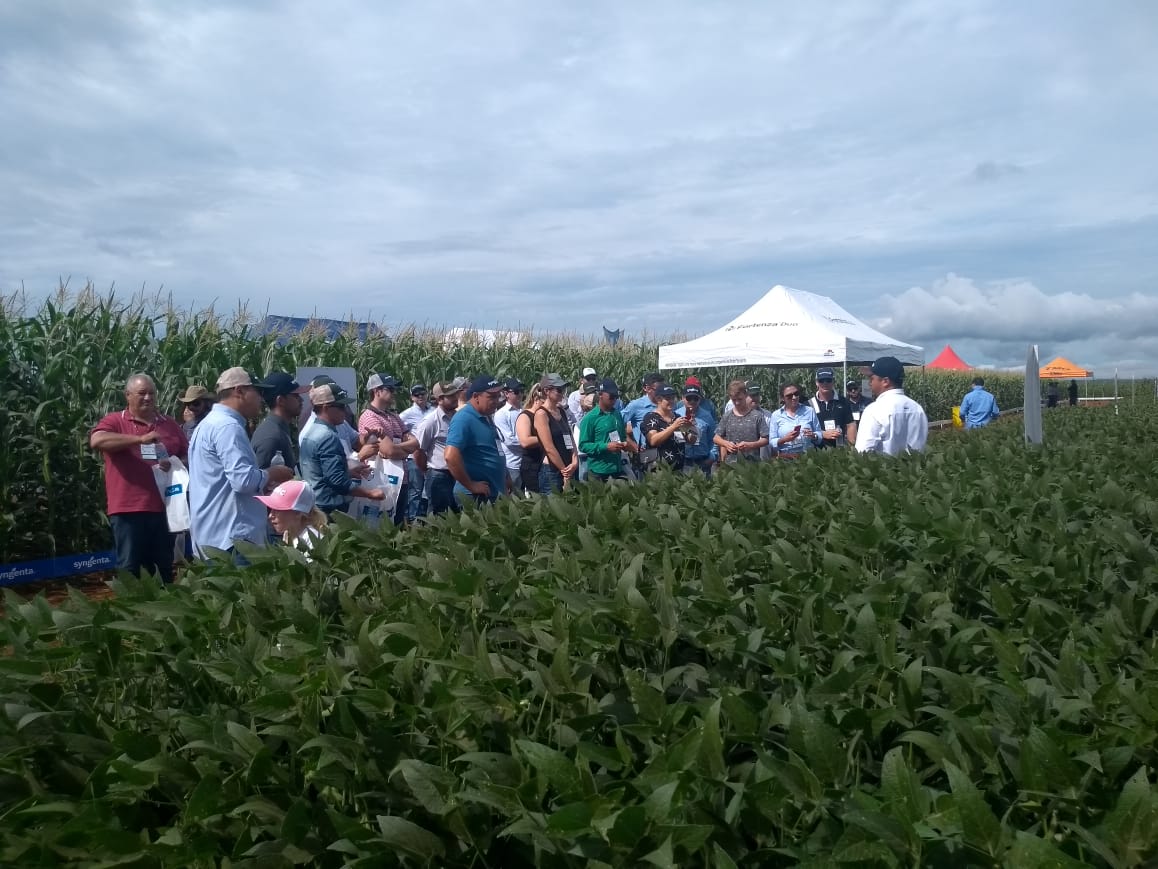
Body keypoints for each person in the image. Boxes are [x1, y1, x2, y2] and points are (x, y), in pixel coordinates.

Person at [90, 373, 188, 583]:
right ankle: (131, 613)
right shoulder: (115, 421)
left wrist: (175, 463)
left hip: (165, 508)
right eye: (142, 393)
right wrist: (139, 439)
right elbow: (97, 440)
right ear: (128, 395)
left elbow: (186, 454)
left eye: (151, 393)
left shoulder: (168, 424)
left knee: (162, 566)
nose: (148, 398)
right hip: (128, 509)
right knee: (130, 568)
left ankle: (163, 612)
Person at [188, 368, 294, 558]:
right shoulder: (228, 427)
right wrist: (273, 473)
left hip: (213, 535)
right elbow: (243, 481)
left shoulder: (208, 424)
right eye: (258, 392)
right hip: (233, 539)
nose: (262, 400)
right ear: (239, 391)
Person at [300, 382, 384, 517]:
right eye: (341, 406)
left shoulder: (313, 430)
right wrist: (370, 493)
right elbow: (336, 481)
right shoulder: (328, 436)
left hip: (316, 502)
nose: (345, 410)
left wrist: (347, 470)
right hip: (329, 508)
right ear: (326, 408)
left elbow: (321, 471)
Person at [358, 373, 417, 527]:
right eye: (390, 389)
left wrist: (396, 448)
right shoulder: (369, 416)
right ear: (377, 391)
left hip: (401, 479)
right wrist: (403, 450)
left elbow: (415, 443)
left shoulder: (394, 416)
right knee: (382, 526)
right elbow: (389, 450)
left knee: (397, 525)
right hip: (382, 481)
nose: (394, 393)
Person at [445, 374, 507, 506]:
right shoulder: (463, 418)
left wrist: (505, 476)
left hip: (493, 492)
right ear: (476, 397)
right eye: (491, 397)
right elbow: (450, 456)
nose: (496, 401)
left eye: (497, 396)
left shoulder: (486, 416)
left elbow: (493, 449)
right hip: (476, 497)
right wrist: (471, 485)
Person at [855, 356, 929, 456]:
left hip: (883, 470)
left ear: (885, 381)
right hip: (915, 468)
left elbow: (862, 453)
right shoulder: (917, 408)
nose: (869, 383)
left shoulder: (874, 410)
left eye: (872, 378)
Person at [414, 381, 462, 515]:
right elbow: (419, 451)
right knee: (439, 516)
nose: (455, 398)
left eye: (455, 394)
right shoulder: (430, 421)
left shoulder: (458, 417)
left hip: (458, 473)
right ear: (440, 399)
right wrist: (428, 470)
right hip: (439, 475)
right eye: (450, 396)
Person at [579, 378, 637, 481]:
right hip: (599, 471)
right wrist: (605, 446)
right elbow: (583, 445)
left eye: (616, 397)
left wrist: (627, 445)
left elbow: (623, 437)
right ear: (600, 394)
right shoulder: (590, 418)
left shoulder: (617, 414)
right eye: (611, 396)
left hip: (617, 468)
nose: (614, 400)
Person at [255, 479, 328, 557]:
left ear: (298, 512)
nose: (270, 516)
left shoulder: (313, 541)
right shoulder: (289, 534)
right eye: (271, 509)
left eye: (278, 510)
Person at [251, 372, 308, 469]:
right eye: (296, 395)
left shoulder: (278, 429)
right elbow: (263, 480)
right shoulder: (272, 437)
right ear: (280, 400)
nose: (301, 400)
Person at [534, 373, 578, 494]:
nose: (562, 393)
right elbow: (549, 447)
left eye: (563, 389)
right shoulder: (541, 414)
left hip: (569, 467)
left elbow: (570, 437)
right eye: (559, 390)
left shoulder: (561, 411)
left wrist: (575, 461)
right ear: (547, 391)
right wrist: (564, 471)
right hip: (552, 471)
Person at [641, 384, 698, 471]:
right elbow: (653, 440)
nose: (671, 401)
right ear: (658, 399)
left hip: (678, 468)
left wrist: (692, 427)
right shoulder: (651, 417)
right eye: (668, 398)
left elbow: (691, 440)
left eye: (673, 398)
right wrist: (673, 427)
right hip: (658, 470)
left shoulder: (677, 417)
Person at [713, 380, 769, 465]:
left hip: (752, 465)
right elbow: (716, 438)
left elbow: (766, 439)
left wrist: (750, 445)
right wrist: (726, 444)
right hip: (731, 465)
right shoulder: (727, 416)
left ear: (746, 395)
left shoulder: (757, 416)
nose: (737, 402)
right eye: (734, 400)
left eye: (740, 399)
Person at [399, 384, 431, 521]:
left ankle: (425, 518)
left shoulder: (433, 410)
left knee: (428, 490)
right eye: (417, 395)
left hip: (430, 457)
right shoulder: (406, 414)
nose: (420, 397)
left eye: (422, 393)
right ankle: (412, 519)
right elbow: (398, 431)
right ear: (412, 397)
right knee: (416, 490)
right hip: (414, 457)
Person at [770, 384, 823, 458]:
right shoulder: (776, 415)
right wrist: (784, 439)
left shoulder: (809, 411)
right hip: (786, 457)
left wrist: (813, 435)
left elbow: (819, 434)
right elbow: (772, 442)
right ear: (782, 398)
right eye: (789, 396)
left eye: (796, 394)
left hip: (808, 456)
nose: (794, 397)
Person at [808, 367, 856, 448]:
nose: (825, 383)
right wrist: (822, 434)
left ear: (833, 381)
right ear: (817, 383)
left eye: (828, 380)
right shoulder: (809, 404)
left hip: (840, 449)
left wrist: (852, 448)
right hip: (816, 451)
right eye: (821, 381)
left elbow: (850, 425)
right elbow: (805, 429)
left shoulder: (844, 402)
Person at [494, 378, 526, 494]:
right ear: (506, 393)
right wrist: (527, 442)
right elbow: (509, 441)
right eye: (517, 392)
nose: (520, 394)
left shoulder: (525, 410)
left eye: (522, 391)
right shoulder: (501, 414)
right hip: (512, 464)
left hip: (527, 462)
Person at [516, 383, 547, 496]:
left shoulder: (544, 415)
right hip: (532, 466)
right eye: (544, 402)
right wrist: (546, 437)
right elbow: (525, 441)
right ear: (536, 399)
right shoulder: (525, 416)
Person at [679, 383, 717, 474]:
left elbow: (714, 439)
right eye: (689, 398)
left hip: (703, 461)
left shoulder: (707, 416)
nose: (692, 401)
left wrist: (712, 457)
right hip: (683, 462)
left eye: (695, 398)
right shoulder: (677, 415)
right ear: (682, 398)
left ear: (700, 399)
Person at [622, 373, 663, 456]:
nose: (661, 393)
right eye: (657, 390)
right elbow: (616, 423)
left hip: (666, 452)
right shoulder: (636, 405)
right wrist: (632, 444)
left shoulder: (668, 404)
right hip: (646, 454)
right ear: (646, 388)